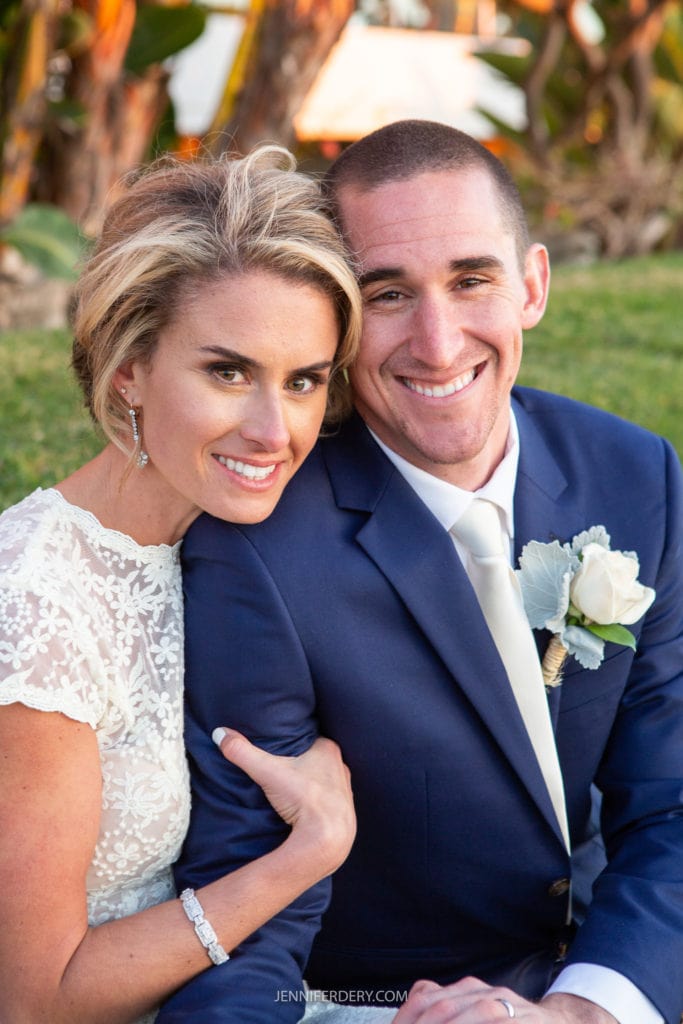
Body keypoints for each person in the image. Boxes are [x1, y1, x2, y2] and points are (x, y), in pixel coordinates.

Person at [164, 120, 683, 1024]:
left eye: (471, 280)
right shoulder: (259, 552)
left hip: (622, 969)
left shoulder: (635, 474)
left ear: (532, 285)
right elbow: (242, 928)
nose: (438, 345)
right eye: (389, 294)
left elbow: (672, 806)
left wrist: (584, 1009)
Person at [0, 144, 362, 1024]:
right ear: (130, 368)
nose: (274, 430)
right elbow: (34, 999)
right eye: (227, 372)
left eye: (304, 380)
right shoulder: (42, 609)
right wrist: (306, 854)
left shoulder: (218, 537)